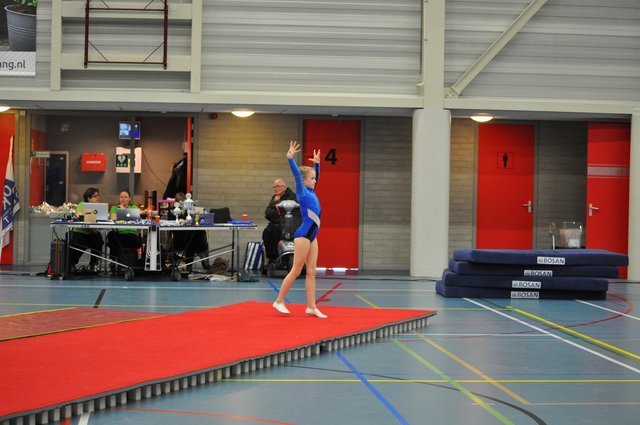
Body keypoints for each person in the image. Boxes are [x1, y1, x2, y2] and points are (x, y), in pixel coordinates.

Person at [273, 141, 327, 318]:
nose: (315, 180)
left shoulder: (312, 192)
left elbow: (315, 176)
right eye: (312, 178)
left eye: (315, 178)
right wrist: (290, 159)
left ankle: (311, 306)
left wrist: (317, 164)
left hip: (312, 237)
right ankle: (279, 301)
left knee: (312, 271)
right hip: (303, 235)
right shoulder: (302, 192)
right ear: (303, 181)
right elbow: (297, 175)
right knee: (296, 270)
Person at [262, 178, 300, 264]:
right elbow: (267, 213)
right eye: (274, 187)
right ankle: (271, 258)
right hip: (275, 223)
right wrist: (276, 209)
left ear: (284, 187)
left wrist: (276, 204)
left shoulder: (292, 196)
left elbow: (283, 211)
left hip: (288, 225)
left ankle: (281, 259)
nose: (275, 189)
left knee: (277, 232)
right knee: (266, 232)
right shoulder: (274, 197)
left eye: (277, 186)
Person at [69, 187, 104, 272]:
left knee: (99, 240)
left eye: (98, 195)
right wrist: (92, 214)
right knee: (77, 242)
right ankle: (71, 264)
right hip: (80, 232)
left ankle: (93, 264)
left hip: (92, 232)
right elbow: (79, 214)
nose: (97, 198)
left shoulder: (100, 207)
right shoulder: (82, 204)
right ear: (89, 198)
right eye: (95, 196)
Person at [106, 190, 142, 270]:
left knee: (133, 239)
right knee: (111, 235)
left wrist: (122, 211)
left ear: (129, 199)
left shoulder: (134, 207)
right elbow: (113, 218)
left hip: (131, 233)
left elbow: (136, 218)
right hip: (118, 233)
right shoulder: (114, 208)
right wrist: (124, 212)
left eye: (125, 197)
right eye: (121, 197)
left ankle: (132, 261)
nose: (123, 199)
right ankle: (113, 260)